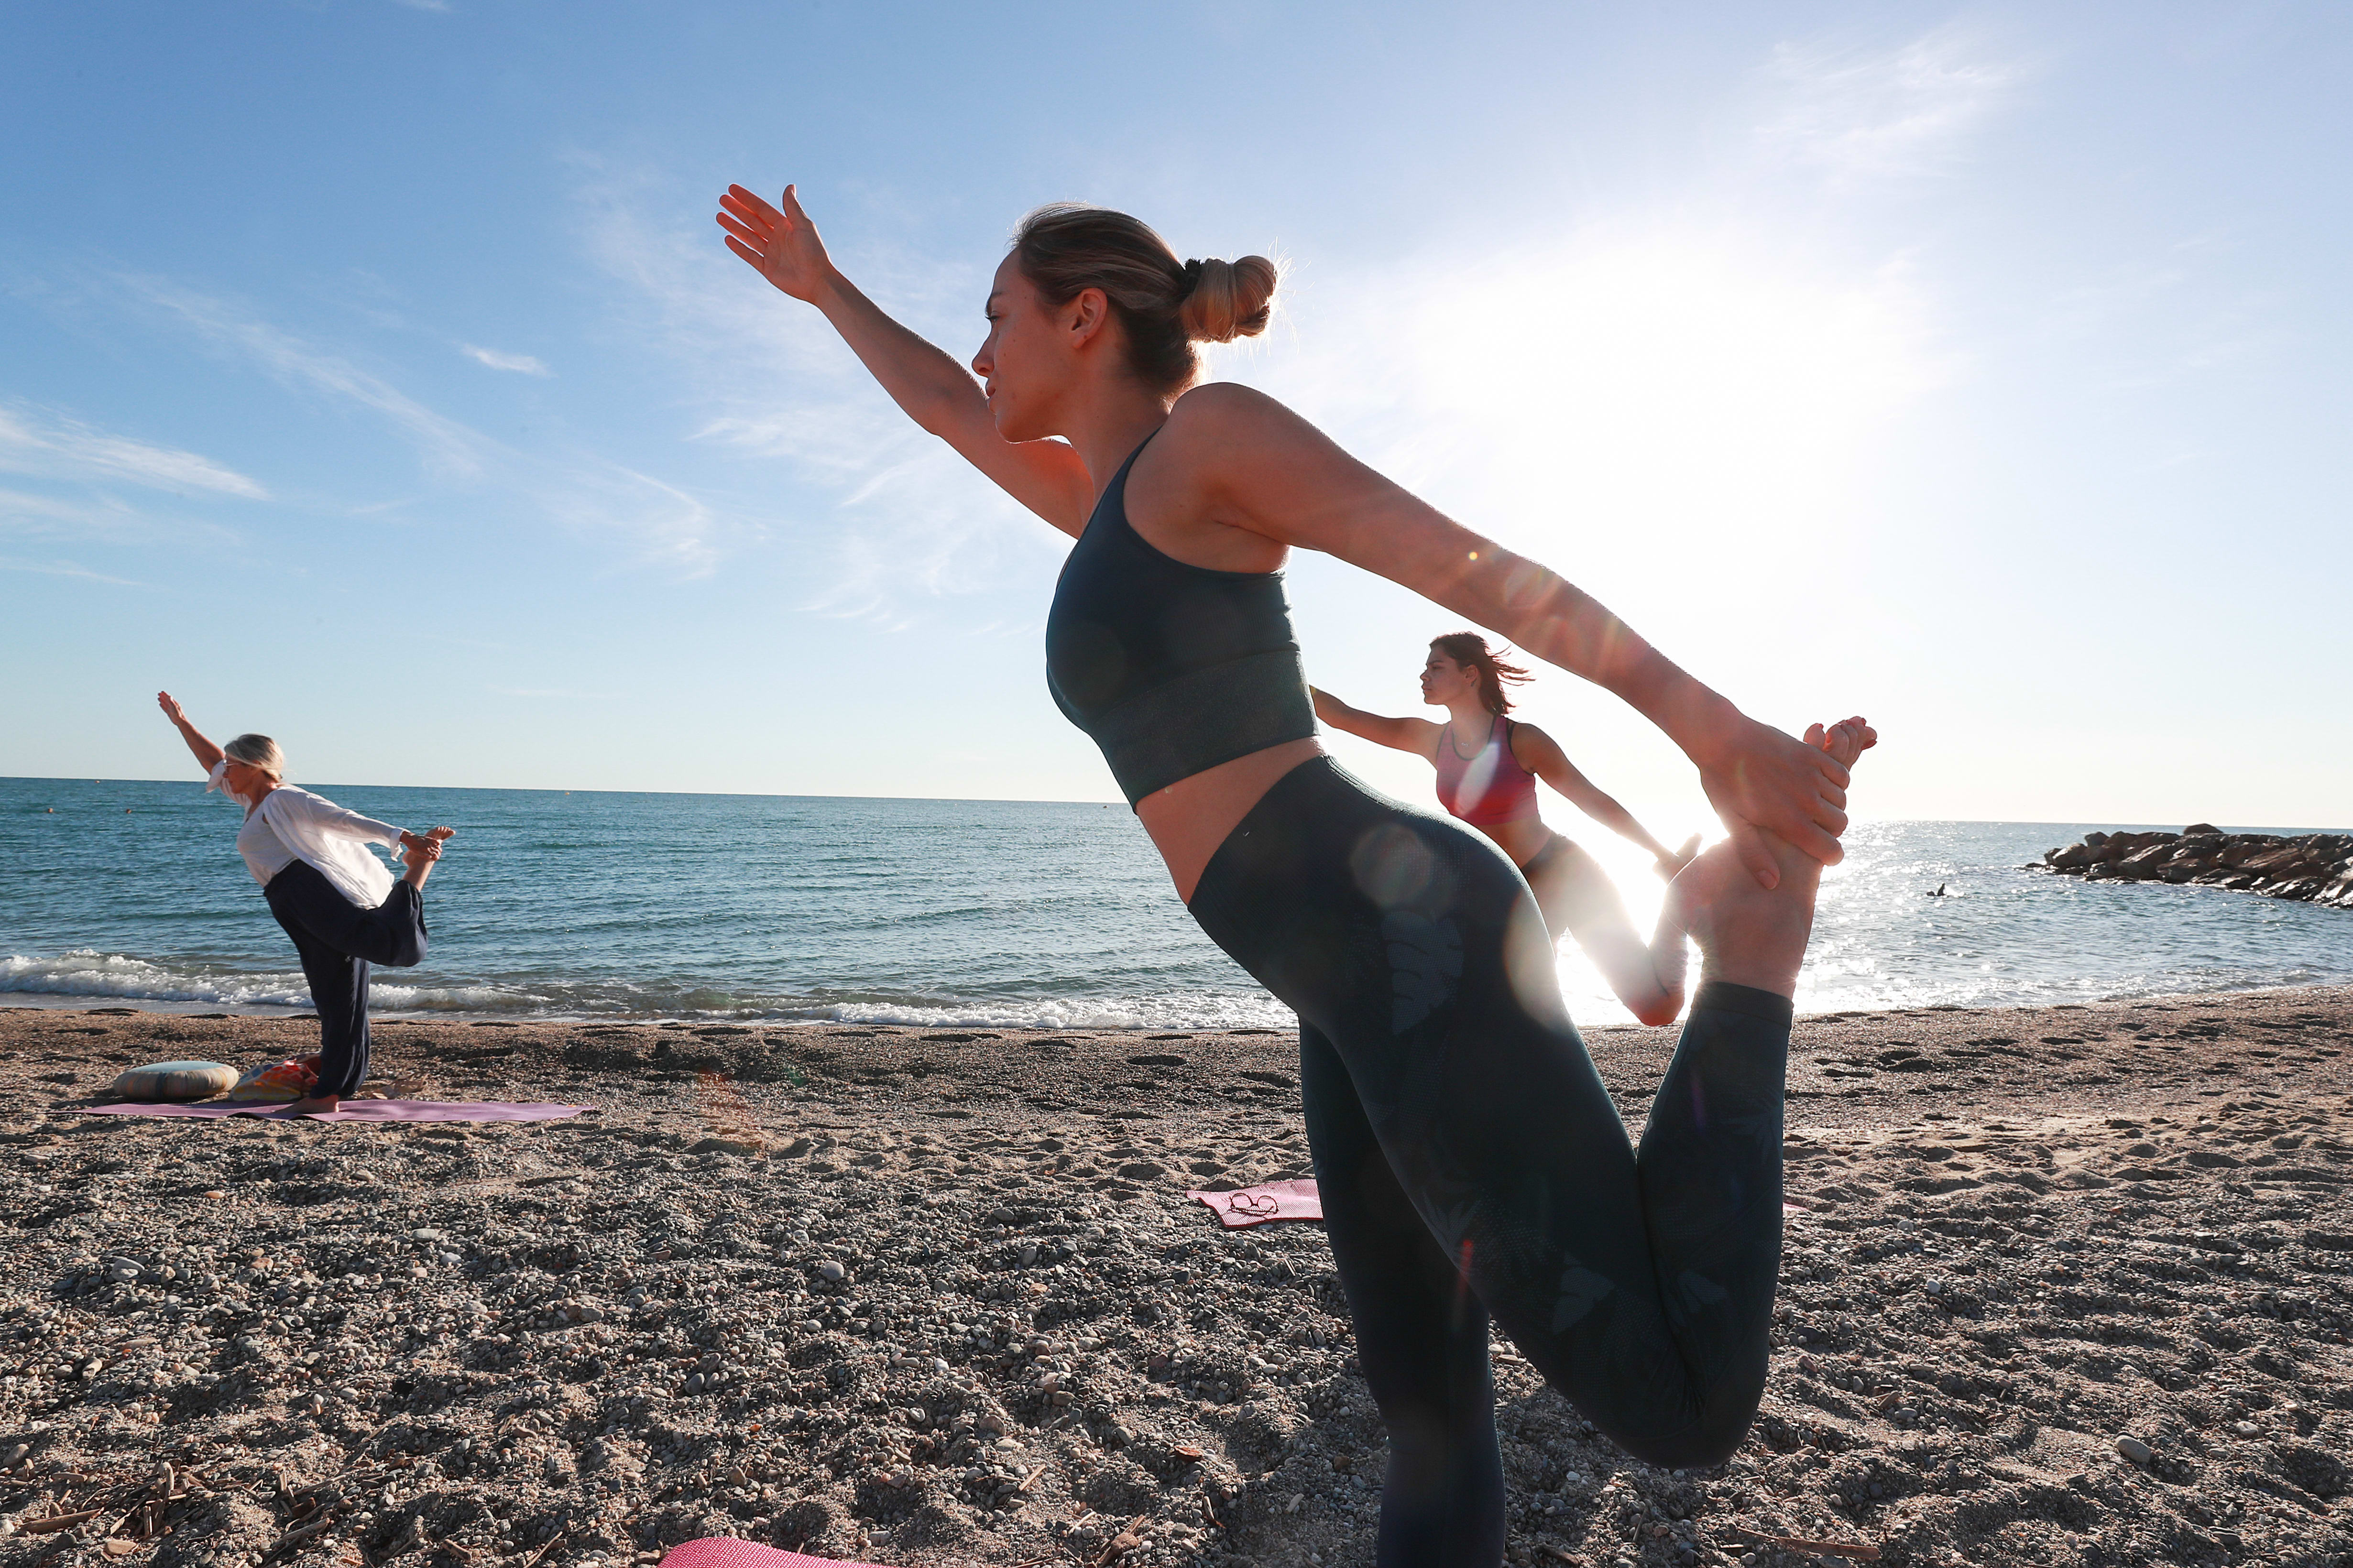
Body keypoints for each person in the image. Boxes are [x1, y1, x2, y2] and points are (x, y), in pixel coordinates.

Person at [716, 184, 1874, 1564]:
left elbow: (1474, 568)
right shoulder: (1102, 504)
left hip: (1412, 949)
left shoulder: (1210, 442)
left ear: (1084, 317)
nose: (980, 351)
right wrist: (826, 286)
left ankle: (1747, 960)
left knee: (1679, 1411)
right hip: (1339, 986)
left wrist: (1712, 734)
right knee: (1425, 1404)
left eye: (997, 317)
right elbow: (938, 405)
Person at [1313, 635, 1700, 1025]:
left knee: (1656, 1010)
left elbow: (1591, 800)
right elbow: (1341, 715)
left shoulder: (1522, 739)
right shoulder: (1431, 740)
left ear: (1470, 675)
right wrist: (1273, 667)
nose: (1423, 675)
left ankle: (1677, 905)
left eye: (1436, 667)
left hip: (1565, 876)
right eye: (1426, 667)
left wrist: (1662, 854)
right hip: (1501, 887)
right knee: (1498, 1005)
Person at [156, 692, 453, 1115]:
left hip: (306, 892)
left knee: (383, 952)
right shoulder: (253, 802)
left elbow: (342, 818)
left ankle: (418, 867)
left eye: (232, 766)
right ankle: (332, 1092)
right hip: (288, 901)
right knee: (335, 996)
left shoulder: (283, 798)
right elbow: (212, 760)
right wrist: (180, 722)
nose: (224, 773)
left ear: (253, 767)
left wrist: (405, 839)